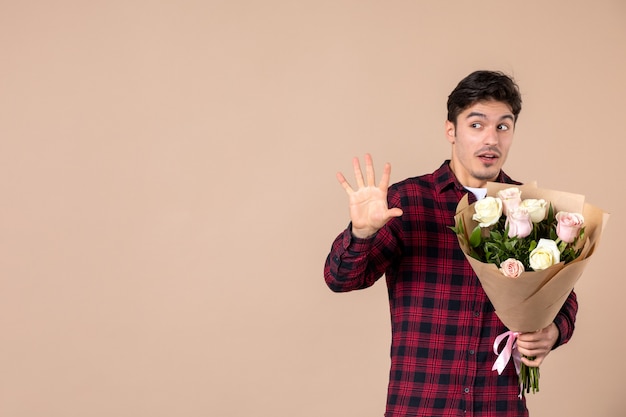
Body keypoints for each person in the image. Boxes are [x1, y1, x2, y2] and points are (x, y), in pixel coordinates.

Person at [323, 70, 578, 417]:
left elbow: (563, 297)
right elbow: (341, 279)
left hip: (500, 407)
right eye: (476, 125)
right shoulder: (405, 201)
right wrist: (362, 232)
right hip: (421, 406)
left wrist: (553, 331)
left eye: (503, 126)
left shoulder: (529, 208)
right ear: (451, 131)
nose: (491, 139)